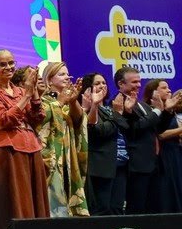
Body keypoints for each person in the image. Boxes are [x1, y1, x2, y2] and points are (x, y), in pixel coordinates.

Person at [0, 50, 49, 229]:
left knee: (36, 202)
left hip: (31, 147)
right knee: (12, 201)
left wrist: (33, 94)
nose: (8, 67)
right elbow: (4, 119)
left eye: (11, 63)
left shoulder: (19, 91)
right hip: (6, 150)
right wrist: (26, 96)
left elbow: (37, 118)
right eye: (2, 64)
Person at [113, 67, 175, 214]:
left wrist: (167, 111)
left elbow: (157, 129)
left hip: (153, 164)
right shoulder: (118, 103)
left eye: (139, 81)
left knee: (153, 208)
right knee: (137, 209)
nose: (139, 85)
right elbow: (135, 128)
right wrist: (158, 110)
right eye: (134, 82)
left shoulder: (142, 104)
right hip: (136, 166)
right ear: (121, 84)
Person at [37, 62, 89, 217]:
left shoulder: (69, 100)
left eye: (67, 74)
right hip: (51, 158)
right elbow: (41, 123)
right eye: (62, 74)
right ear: (49, 80)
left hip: (68, 158)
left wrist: (73, 101)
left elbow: (79, 120)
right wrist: (59, 102)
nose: (67, 77)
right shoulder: (42, 100)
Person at [79, 73, 129, 215]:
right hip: (99, 166)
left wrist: (116, 115)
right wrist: (117, 114)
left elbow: (124, 126)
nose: (102, 86)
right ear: (88, 88)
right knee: (101, 209)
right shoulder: (88, 108)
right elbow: (100, 131)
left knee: (116, 209)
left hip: (117, 164)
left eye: (104, 83)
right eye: (97, 83)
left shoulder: (108, 109)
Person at [141, 80, 182, 213]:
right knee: (165, 194)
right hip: (163, 156)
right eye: (164, 88)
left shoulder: (171, 111)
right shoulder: (151, 111)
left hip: (176, 155)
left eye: (169, 87)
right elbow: (160, 135)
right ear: (154, 92)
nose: (169, 90)